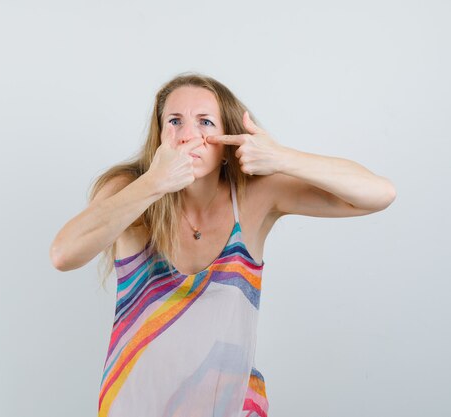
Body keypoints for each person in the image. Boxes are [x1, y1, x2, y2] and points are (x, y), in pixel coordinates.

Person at [49, 72, 396, 417]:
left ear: (229, 137)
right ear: (158, 135)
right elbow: (64, 254)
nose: (188, 135)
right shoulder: (128, 188)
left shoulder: (253, 197)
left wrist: (282, 157)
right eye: (174, 121)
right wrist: (155, 182)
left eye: (204, 122)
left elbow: (379, 194)